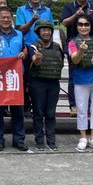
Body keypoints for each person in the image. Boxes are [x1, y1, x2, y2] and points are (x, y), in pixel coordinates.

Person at [0, 7, 28, 152]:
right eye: (3, 17)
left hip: (15, 77)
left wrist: (24, 54)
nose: (6, 20)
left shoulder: (19, 34)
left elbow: (24, 49)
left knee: (17, 110)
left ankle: (19, 139)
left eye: (8, 17)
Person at [68, 14, 93, 152]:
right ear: (77, 26)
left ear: (90, 26)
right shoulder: (73, 42)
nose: (83, 27)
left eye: (86, 24)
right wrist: (81, 51)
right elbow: (74, 60)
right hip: (80, 80)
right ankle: (83, 137)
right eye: (80, 24)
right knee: (81, 109)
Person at [61, 0, 93, 117]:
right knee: (74, 75)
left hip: (92, 44)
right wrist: (76, 15)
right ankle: (73, 105)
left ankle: (88, 105)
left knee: (91, 74)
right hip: (73, 43)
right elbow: (64, 23)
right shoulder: (69, 7)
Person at [16, 0, 54, 116]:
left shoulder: (47, 10)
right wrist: (33, 19)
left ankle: (40, 107)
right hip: (27, 48)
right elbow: (21, 30)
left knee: (42, 77)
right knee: (26, 79)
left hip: (44, 48)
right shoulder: (21, 10)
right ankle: (26, 106)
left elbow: (51, 29)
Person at [29, 20, 63, 151]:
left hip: (53, 82)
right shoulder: (34, 46)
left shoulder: (57, 46)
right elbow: (35, 62)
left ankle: (51, 140)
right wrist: (37, 58)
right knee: (38, 113)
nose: (46, 32)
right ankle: (39, 140)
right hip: (38, 83)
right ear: (38, 32)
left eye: (48, 30)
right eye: (43, 30)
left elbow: (60, 62)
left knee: (50, 113)